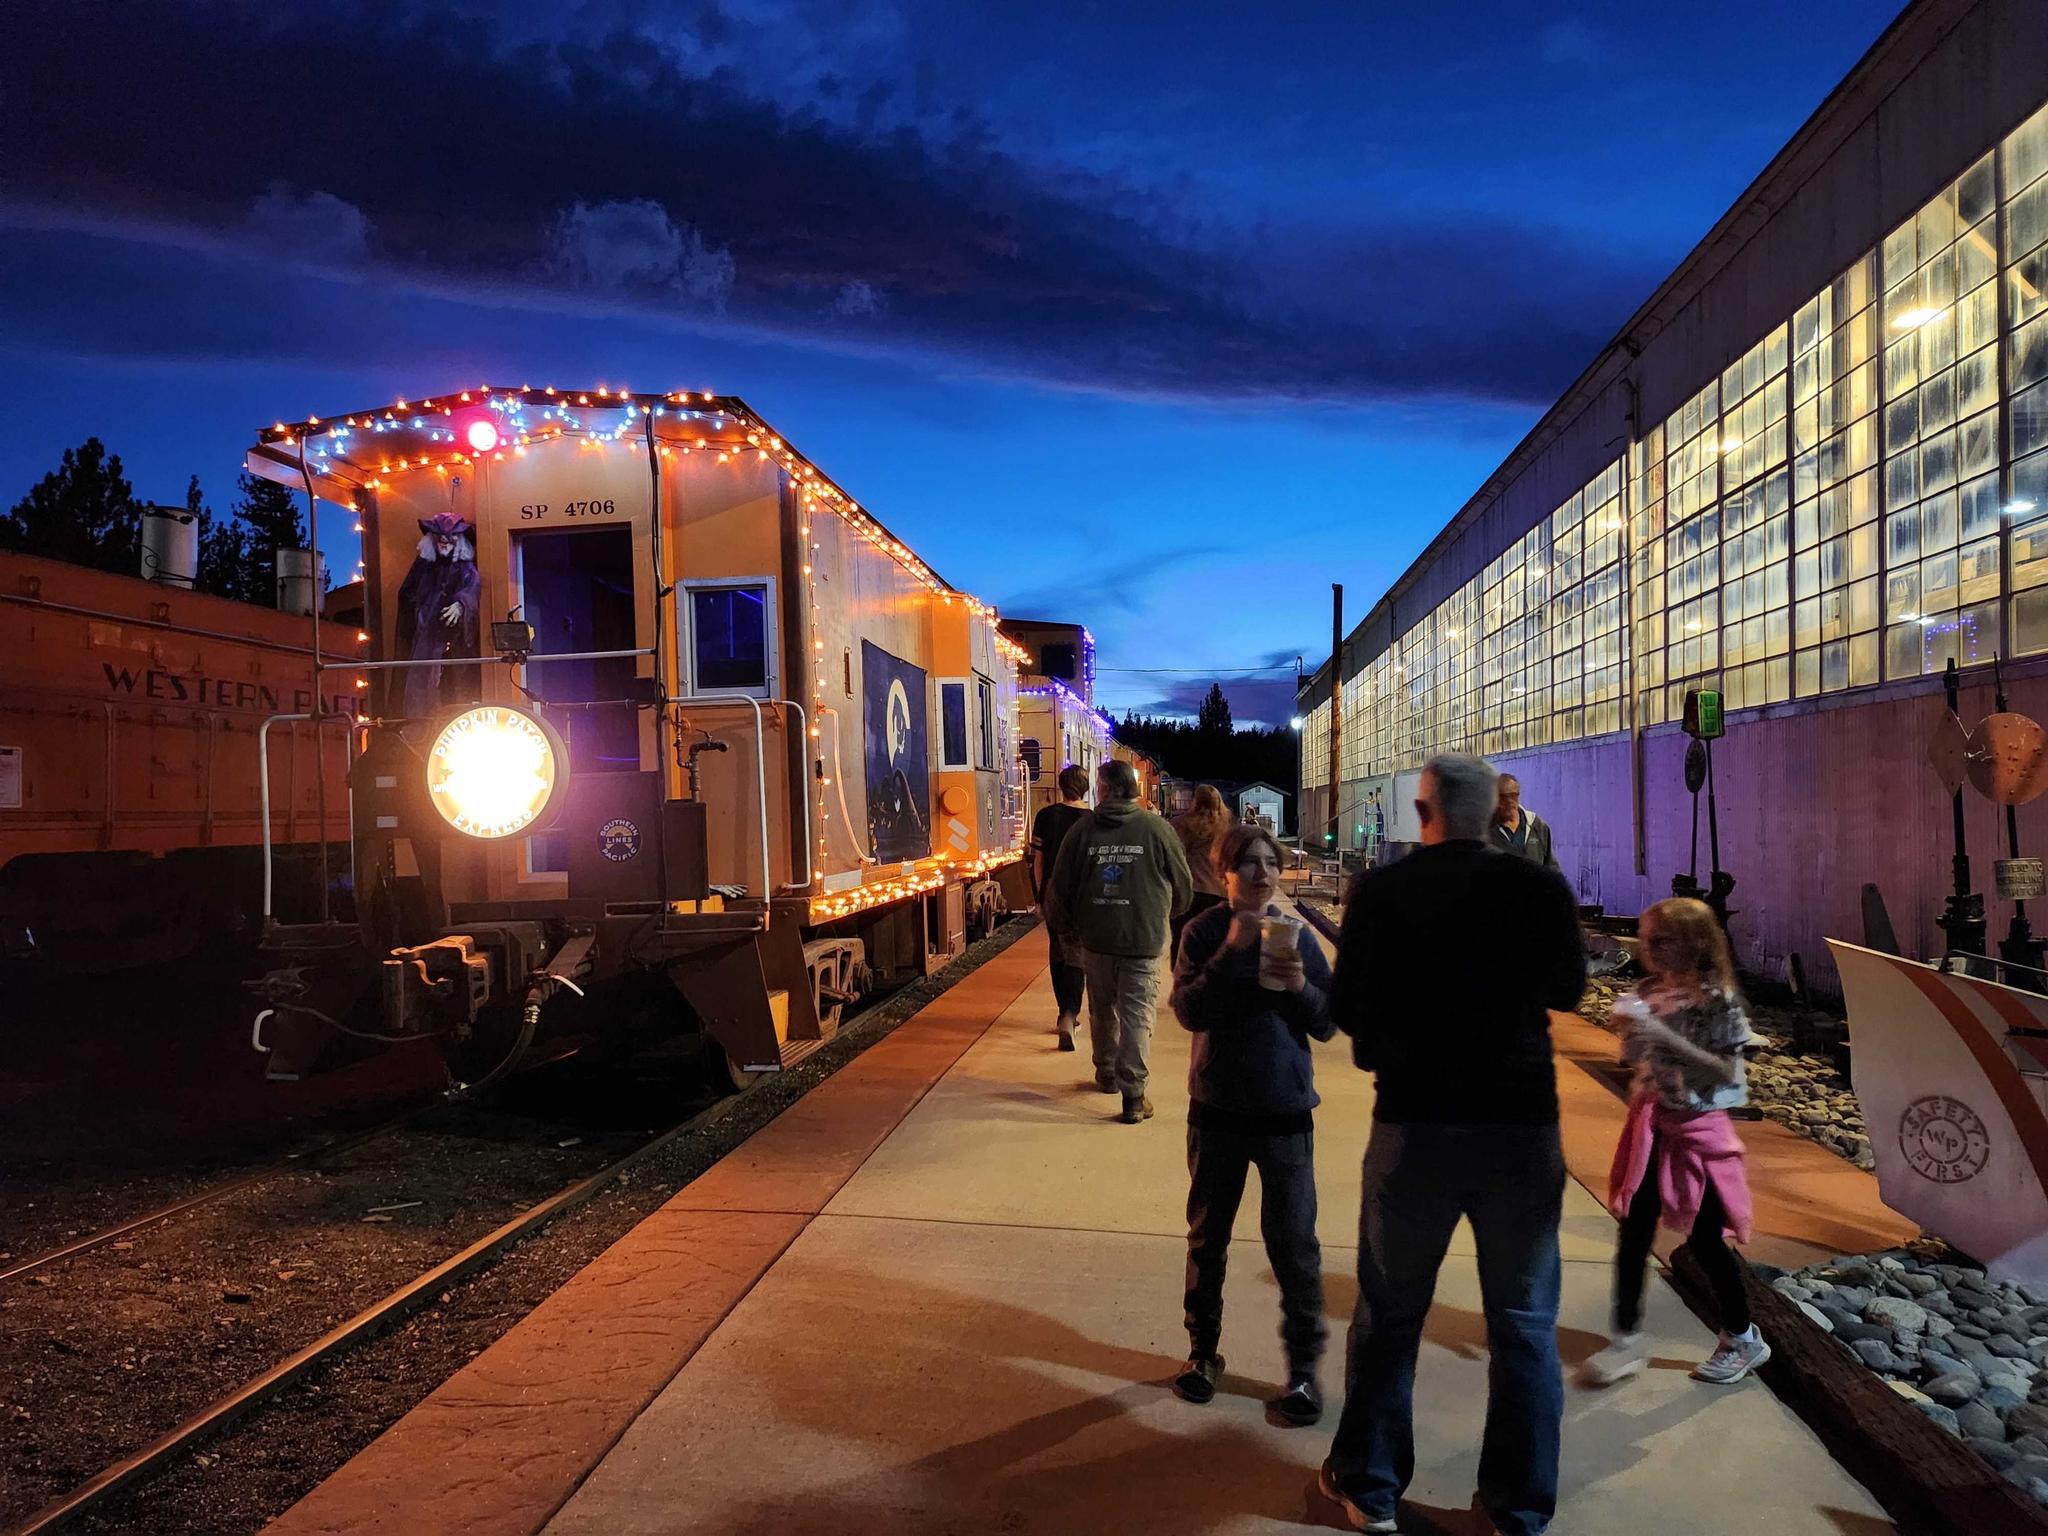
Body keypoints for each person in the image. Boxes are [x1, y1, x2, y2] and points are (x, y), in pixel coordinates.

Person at [1317, 752, 1586, 1536]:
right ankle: (1518, 1507)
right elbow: (1568, 990)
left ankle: (1369, 1487)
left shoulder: (1387, 891)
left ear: (1425, 812)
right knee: (1526, 1325)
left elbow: (1349, 1006)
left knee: (1391, 1314)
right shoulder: (1538, 887)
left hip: (1416, 1127)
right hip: (1521, 1130)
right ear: (1494, 813)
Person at [1169, 824, 1335, 1425]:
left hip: (1287, 1112)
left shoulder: (1299, 936)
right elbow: (1189, 1009)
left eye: (1271, 863)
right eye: (1248, 863)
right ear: (1226, 872)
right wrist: (1231, 952)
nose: (1261, 873)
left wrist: (1299, 990)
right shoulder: (1204, 932)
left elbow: (1326, 1022)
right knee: (1208, 1239)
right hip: (1216, 1111)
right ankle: (1202, 1353)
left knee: (1295, 1246)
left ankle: (1302, 1374)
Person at [1585, 897, 1765, 1387]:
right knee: (1635, 1227)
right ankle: (1625, 1338)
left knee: (1706, 1240)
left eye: (1662, 940)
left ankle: (1744, 1336)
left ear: (1695, 944)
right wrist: (1629, 1033)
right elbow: (1636, 1057)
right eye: (1646, 940)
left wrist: (1661, 1035)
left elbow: (1726, 1068)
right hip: (1654, 1126)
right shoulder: (1650, 990)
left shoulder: (1717, 1001)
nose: (1650, 950)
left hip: (1697, 1132)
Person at [1044, 758, 1193, 1124]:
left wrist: (1065, 929)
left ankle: (1107, 1073)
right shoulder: (1157, 829)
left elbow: (1059, 886)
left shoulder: (1082, 831)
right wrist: (1162, 915)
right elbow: (1184, 887)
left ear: (1107, 789)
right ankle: (1134, 1095)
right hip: (1143, 939)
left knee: (1102, 1007)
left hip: (1095, 937)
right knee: (1137, 1014)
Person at [1030, 765, 1094, 1051]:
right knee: (1077, 953)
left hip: (1054, 894)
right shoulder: (1093, 820)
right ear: (1086, 788)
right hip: (1084, 897)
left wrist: (1040, 894)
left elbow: (1038, 860)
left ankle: (1063, 1011)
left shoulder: (1046, 816)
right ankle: (1072, 1013)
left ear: (1061, 787)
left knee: (1057, 951)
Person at [1170, 784, 1232, 961]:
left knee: (1181, 944)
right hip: (1218, 893)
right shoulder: (1226, 828)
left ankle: (1182, 981)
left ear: (1194, 801)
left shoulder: (1178, 824)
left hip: (1186, 893)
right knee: (1214, 947)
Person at [1492, 773, 1559, 871]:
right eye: (1503, 797)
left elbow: (1552, 870)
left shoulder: (1538, 827)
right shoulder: (1483, 830)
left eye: (1513, 795)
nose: (1509, 801)